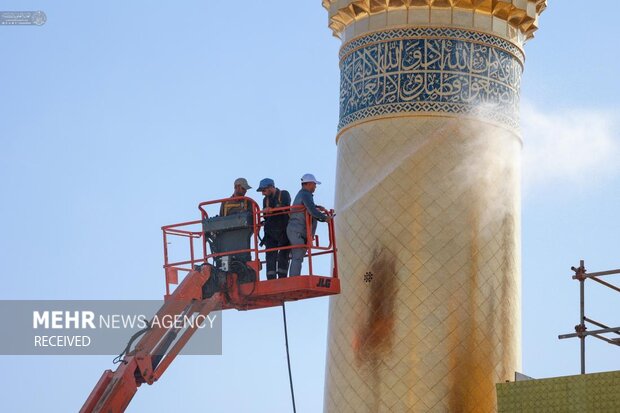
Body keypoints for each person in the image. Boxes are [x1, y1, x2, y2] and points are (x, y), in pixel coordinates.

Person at [286, 173, 331, 277]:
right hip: (297, 230)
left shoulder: (303, 194)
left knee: (298, 256)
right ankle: (294, 280)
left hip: (297, 230)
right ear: (309, 183)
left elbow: (310, 208)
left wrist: (316, 208)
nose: (315, 186)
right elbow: (311, 211)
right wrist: (325, 218)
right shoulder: (305, 194)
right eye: (314, 184)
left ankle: (294, 278)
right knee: (298, 256)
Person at [257, 178, 291, 280]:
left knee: (283, 254)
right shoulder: (265, 200)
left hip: (283, 230)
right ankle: (271, 278)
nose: (263, 193)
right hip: (270, 231)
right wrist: (267, 212)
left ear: (270, 187)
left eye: (263, 190)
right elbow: (265, 216)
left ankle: (282, 278)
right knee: (270, 255)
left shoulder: (284, 194)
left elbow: (286, 206)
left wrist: (273, 209)